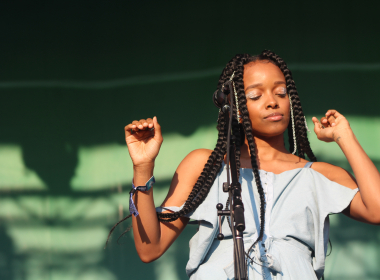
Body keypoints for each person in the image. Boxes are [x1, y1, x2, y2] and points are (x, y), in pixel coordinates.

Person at [117, 51, 380, 279]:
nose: (272, 101)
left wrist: (344, 136)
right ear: (236, 108)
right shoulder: (206, 166)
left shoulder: (318, 175)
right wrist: (143, 167)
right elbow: (150, 248)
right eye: (254, 95)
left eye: (281, 92)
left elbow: (376, 210)